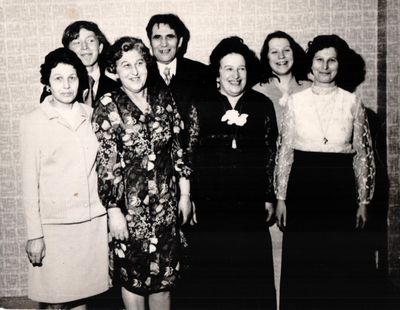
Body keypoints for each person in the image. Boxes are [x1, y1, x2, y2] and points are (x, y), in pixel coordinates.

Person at [275, 34, 376, 310]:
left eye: (332, 60)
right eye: (319, 60)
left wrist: (363, 201)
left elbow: (362, 156)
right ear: (311, 64)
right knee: (304, 264)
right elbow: (285, 152)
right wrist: (281, 197)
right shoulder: (296, 101)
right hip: (304, 186)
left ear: (340, 65)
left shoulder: (352, 102)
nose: (325, 66)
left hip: (340, 188)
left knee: (339, 263)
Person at [92, 36, 192, 310]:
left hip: (165, 206)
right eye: (126, 65)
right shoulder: (107, 104)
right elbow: (106, 162)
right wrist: (113, 211)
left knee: (164, 279)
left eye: (139, 63)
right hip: (129, 211)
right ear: (114, 70)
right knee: (133, 280)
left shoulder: (163, 98)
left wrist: (185, 194)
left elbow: (178, 148)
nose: (134, 71)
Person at [189, 36, 278, 309]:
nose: (235, 75)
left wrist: (268, 196)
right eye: (228, 68)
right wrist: (189, 196)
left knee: (250, 278)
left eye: (241, 68)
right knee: (213, 278)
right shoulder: (200, 105)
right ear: (217, 72)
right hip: (210, 205)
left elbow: (270, 153)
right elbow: (189, 153)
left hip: (249, 206)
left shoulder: (262, 105)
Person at [21, 47, 108, 309]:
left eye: (72, 77)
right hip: (55, 228)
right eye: (58, 78)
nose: (66, 85)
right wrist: (35, 235)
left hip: (90, 223)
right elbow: (29, 182)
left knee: (82, 300)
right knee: (57, 303)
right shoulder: (33, 121)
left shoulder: (92, 115)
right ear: (47, 83)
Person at [145, 13, 209, 149]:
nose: (164, 44)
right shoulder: (140, 75)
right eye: (157, 37)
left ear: (179, 42)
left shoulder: (201, 73)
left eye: (170, 37)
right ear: (150, 42)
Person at [254, 30, 311, 129]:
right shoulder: (256, 92)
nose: (281, 56)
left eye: (286, 50)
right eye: (274, 52)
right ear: (267, 57)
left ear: (294, 53)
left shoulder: (310, 88)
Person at [62, 20, 119, 107]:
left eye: (91, 41)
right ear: (68, 51)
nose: (84, 47)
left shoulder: (117, 86)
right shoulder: (60, 87)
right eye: (77, 42)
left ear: (100, 47)